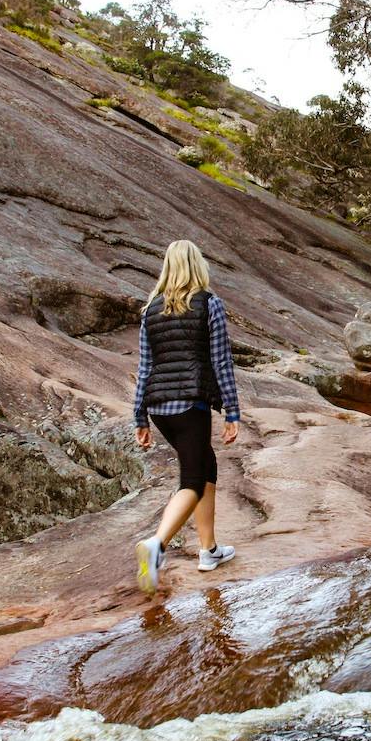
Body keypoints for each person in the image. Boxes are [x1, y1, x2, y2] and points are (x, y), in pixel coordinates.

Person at [131, 239, 242, 593]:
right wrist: (232, 411)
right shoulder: (208, 304)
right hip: (190, 404)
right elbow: (221, 360)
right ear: (198, 266)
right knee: (192, 481)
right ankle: (157, 546)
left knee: (206, 465)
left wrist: (140, 417)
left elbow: (145, 367)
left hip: (160, 407)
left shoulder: (151, 309)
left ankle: (208, 550)